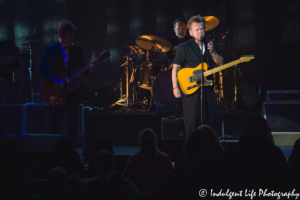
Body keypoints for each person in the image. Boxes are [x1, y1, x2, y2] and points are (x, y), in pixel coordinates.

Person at [39, 21, 94, 145]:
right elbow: (42, 69)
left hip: (72, 90)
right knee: (56, 121)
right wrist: (54, 80)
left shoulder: (76, 49)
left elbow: (82, 67)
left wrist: (90, 69)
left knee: (74, 120)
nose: (72, 38)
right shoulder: (51, 49)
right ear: (61, 35)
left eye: (73, 36)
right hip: (56, 90)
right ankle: (54, 147)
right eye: (69, 36)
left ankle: (72, 147)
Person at [171, 14, 224, 139]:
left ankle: (210, 152)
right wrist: (175, 87)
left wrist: (213, 52)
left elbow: (220, 63)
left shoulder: (212, 45)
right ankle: (192, 152)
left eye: (202, 29)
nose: (201, 32)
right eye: (197, 30)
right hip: (192, 91)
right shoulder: (183, 47)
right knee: (192, 124)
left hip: (208, 89)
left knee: (210, 122)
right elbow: (175, 69)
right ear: (190, 32)